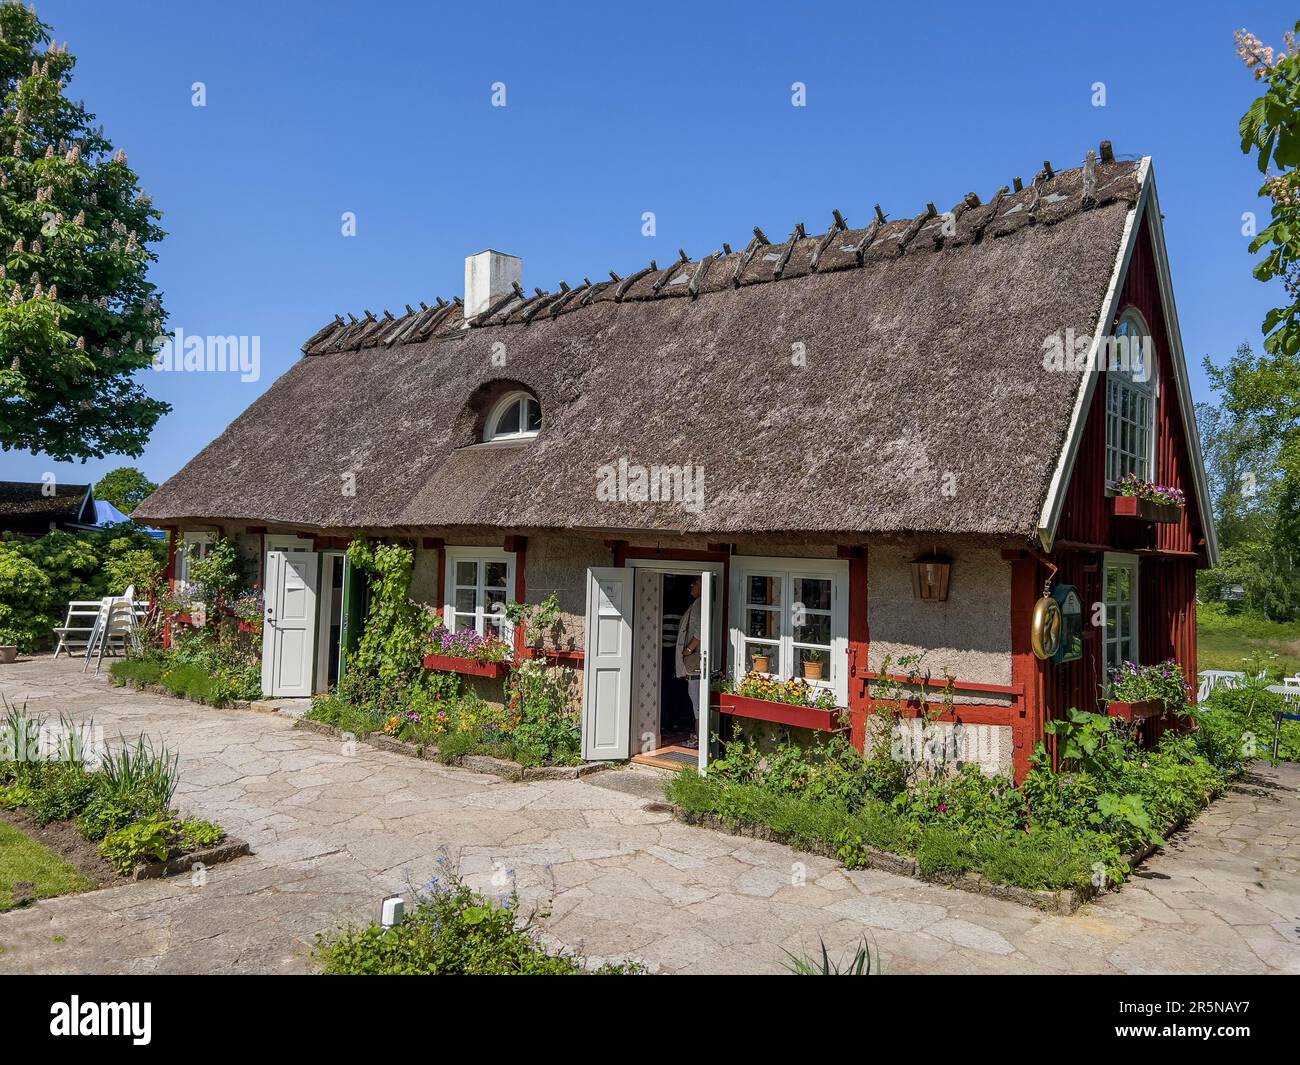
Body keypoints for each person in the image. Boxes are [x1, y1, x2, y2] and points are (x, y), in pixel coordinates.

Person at [675, 576, 702, 747]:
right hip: (694, 657)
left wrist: (688, 650)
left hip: (696, 658)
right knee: (695, 697)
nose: (691, 585)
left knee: (696, 698)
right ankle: (698, 735)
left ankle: (699, 737)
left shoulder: (700, 603)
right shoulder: (697, 603)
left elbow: (700, 630)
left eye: (696, 582)